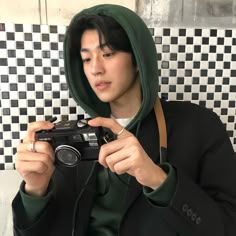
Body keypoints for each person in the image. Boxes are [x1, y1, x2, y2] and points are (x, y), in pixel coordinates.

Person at [12, 4, 236, 236]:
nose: (95, 69)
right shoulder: (73, 141)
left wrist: (160, 181)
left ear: (138, 59)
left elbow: (227, 226)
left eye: (108, 54)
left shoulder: (198, 126)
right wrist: (35, 192)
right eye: (86, 59)